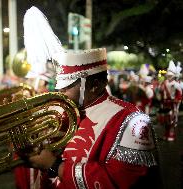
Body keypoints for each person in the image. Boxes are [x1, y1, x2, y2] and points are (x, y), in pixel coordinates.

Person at [22, 6, 160, 189]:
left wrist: (54, 165)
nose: (60, 92)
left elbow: (118, 180)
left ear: (95, 85)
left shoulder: (132, 120)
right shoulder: (63, 110)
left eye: (68, 87)